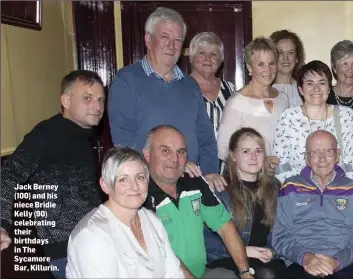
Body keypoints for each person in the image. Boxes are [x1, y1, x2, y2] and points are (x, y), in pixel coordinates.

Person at [0, 70, 106, 278]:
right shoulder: (48, 133)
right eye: (88, 98)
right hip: (65, 250)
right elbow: (10, 175)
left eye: (101, 99)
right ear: (66, 101)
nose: (97, 106)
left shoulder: (81, 136)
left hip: (88, 240)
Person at [108, 7, 225, 189]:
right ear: (148, 39)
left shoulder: (190, 85)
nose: (171, 45)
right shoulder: (127, 81)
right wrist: (174, 165)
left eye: (177, 40)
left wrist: (209, 173)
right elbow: (124, 143)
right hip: (147, 187)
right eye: (164, 37)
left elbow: (206, 139)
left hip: (191, 185)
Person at [142, 125, 253, 279]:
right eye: (165, 150)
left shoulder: (193, 182)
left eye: (181, 152)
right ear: (147, 155)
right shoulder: (139, 194)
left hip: (201, 273)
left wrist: (245, 272)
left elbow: (225, 227)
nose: (175, 159)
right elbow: (162, 256)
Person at [66, 146, 184, 278]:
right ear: (105, 185)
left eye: (140, 177)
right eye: (123, 179)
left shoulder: (152, 219)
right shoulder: (92, 235)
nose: (134, 187)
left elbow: (174, 274)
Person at [272, 130, 353, 279]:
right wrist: (306, 258)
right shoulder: (290, 186)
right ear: (306, 158)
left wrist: (336, 262)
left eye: (328, 152)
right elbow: (280, 236)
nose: (322, 158)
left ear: (337, 155)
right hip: (299, 263)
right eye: (315, 153)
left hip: (342, 265)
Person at [205, 128, 288, 278]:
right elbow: (206, 241)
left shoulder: (274, 187)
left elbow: (279, 231)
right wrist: (243, 250)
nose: (253, 157)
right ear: (233, 156)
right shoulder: (219, 189)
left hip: (262, 258)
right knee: (267, 274)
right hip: (226, 258)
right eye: (245, 151)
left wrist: (271, 251)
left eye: (258, 151)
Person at [273, 61, 353, 186]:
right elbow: (281, 166)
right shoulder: (288, 117)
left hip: (338, 194)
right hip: (299, 194)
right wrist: (303, 191)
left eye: (322, 83)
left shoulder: (346, 116)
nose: (316, 88)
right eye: (309, 83)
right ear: (300, 89)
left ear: (329, 88)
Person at [217, 36, 290, 170]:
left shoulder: (283, 99)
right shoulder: (237, 102)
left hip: (282, 176)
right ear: (250, 67)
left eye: (272, 63)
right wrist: (258, 164)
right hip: (251, 181)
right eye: (261, 64)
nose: (268, 70)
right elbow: (223, 149)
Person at [188, 31, 237, 172]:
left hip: (228, 168)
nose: (208, 58)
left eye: (213, 54)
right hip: (194, 166)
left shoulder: (231, 89)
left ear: (220, 59)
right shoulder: (181, 88)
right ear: (192, 57)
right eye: (202, 53)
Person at [271, 29, 306, 107]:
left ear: (297, 58)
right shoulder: (266, 90)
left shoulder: (305, 88)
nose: (285, 58)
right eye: (280, 53)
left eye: (290, 52)